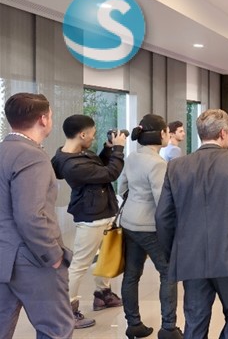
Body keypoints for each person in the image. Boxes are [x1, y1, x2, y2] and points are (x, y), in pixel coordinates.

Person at [156, 109, 228, 339]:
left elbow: (163, 217)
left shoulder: (176, 166)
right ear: (223, 133)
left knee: (195, 321)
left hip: (190, 256)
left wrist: (175, 252)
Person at [0, 93, 74, 338]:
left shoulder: (4, 150)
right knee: (56, 329)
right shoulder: (31, 155)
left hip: (4, 255)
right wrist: (52, 255)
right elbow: (30, 215)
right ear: (43, 119)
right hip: (32, 258)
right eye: (50, 115)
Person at [51, 114, 127, 328]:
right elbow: (110, 173)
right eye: (92, 134)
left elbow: (99, 166)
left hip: (102, 211)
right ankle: (68, 310)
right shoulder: (71, 164)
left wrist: (108, 148)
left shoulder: (78, 154)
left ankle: (103, 294)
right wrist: (119, 149)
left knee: (106, 255)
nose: (94, 137)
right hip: (91, 216)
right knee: (79, 264)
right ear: (82, 134)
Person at [118, 114, 182, 339]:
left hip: (129, 222)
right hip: (149, 227)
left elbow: (121, 188)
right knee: (168, 272)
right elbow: (162, 203)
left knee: (131, 274)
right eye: (167, 132)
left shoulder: (132, 157)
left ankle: (133, 324)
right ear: (161, 134)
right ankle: (169, 328)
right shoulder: (157, 163)